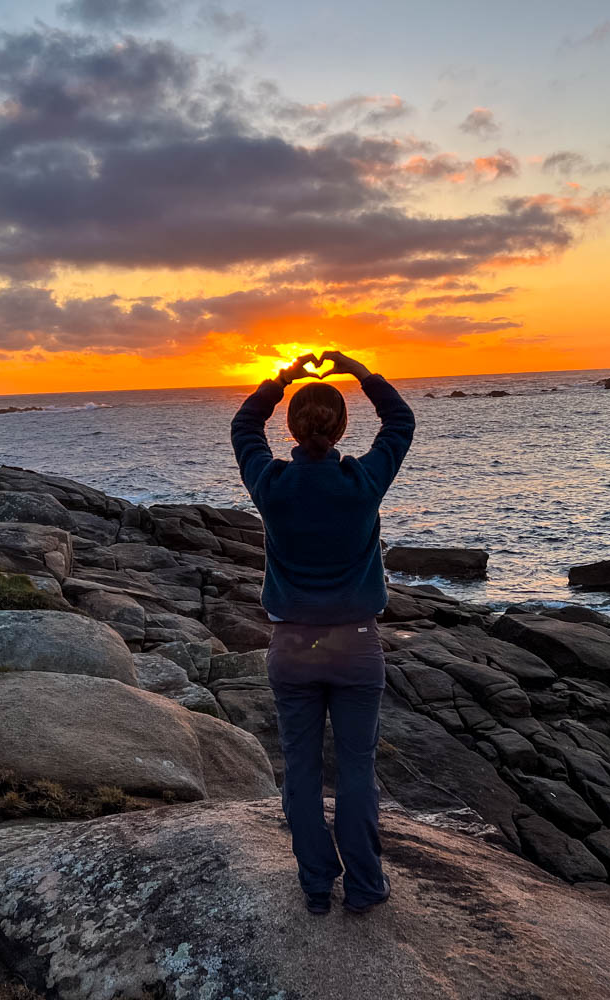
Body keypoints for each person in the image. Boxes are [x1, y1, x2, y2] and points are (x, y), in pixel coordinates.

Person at [230, 350, 416, 916]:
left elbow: (243, 425)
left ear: (290, 426)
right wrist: (358, 371)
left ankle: (316, 885)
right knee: (357, 768)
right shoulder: (362, 481)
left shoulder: (273, 483)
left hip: (293, 646)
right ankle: (364, 886)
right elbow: (401, 421)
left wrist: (281, 378)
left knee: (302, 770)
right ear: (341, 429)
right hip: (355, 642)